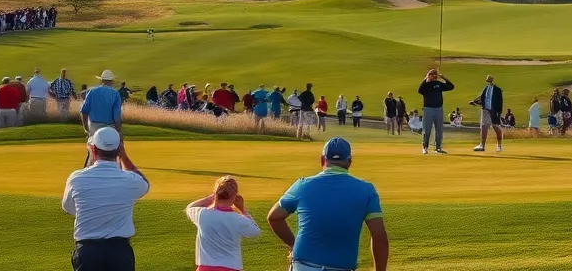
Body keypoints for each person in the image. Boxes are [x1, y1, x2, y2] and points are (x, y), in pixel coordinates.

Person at [267, 137, 389, 271]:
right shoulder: (367, 190)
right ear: (349, 162)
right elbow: (379, 236)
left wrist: (294, 244)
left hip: (303, 266)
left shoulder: (302, 186)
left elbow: (274, 217)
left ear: (322, 160)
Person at [62, 127, 149, 271]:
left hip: (88, 251)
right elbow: (144, 184)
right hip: (119, 252)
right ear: (118, 150)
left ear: (93, 149)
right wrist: (124, 157)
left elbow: (68, 208)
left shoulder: (76, 178)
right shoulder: (130, 179)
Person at [185, 176, 260, 271]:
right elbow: (255, 231)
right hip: (230, 267)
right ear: (235, 195)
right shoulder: (238, 219)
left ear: (216, 193)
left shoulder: (202, 214)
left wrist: (212, 197)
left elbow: (190, 207)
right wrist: (242, 210)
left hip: (205, 268)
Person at [418, 69, 455, 154]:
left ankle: (438, 148)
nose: (434, 76)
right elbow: (420, 90)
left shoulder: (439, 84)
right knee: (427, 129)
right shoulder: (426, 85)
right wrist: (425, 78)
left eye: (435, 74)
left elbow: (451, 86)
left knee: (439, 129)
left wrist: (444, 78)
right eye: (432, 74)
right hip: (428, 109)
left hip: (438, 109)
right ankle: (425, 147)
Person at [471, 74, 504, 152]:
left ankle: (499, 144)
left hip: (494, 111)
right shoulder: (486, 88)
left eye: (489, 80)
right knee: (483, 126)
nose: (488, 82)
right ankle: (482, 145)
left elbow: (500, 102)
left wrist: (498, 113)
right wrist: (474, 102)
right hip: (485, 110)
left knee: (495, 127)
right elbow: (482, 98)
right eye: (487, 80)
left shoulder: (497, 90)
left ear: (492, 80)